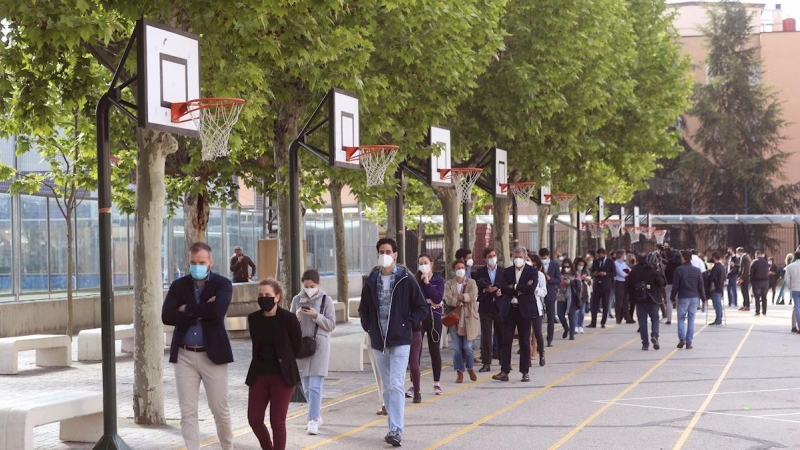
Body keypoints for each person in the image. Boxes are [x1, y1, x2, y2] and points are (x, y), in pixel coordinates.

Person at [162, 242, 234, 450]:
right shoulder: (179, 286)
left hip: (213, 356)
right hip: (185, 355)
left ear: (210, 262)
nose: (197, 266)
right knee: (188, 411)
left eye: (202, 262)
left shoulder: (222, 284)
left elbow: (217, 311)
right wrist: (202, 310)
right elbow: (167, 315)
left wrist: (186, 309)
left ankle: (227, 448)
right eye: (193, 263)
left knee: (220, 409)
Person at [358, 238, 428, 447]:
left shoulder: (406, 279)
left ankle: (396, 430)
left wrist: (408, 324)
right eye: (381, 251)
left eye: (388, 251)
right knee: (387, 386)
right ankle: (392, 427)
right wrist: (369, 327)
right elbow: (363, 310)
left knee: (397, 383)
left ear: (396, 254)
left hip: (400, 339)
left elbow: (421, 307)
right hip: (379, 341)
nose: (385, 254)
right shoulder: (371, 280)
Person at [246, 279, 302, 450]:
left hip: (282, 376)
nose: (264, 298)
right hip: (259, 375)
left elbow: (297, 347)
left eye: (268, 295)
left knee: (277, 421)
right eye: (260, 295)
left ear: (277, 297)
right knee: (254, 419)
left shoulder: (288, 319)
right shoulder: (254, 319)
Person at [289, 269, 336, 435]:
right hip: (302, 348)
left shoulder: (326, 300)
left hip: (319, 347)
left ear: (318, 284)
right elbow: (289, 327)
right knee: (307, 388)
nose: (309, 288)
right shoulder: (296, 300)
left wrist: (316, 315)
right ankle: (316, 414)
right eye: (306, 286)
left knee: (316, 386)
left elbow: (331, 325)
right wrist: (295, 318)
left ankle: (312, 420)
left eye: (312, 285)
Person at [493, 247, 541, 382]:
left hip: (525, 311)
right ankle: (504, 371)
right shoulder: (507, 271)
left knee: (525, 342)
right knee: (506, 341)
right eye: (515, 256)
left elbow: (531, 289)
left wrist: (513, 287)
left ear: (525, 257)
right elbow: (503, 288)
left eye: (520, 256)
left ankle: (525, 372)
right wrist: (520, 289)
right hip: (510, 309)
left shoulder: (532, 271)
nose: (517, 259)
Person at [409, 253, 445, 400]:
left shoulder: (438, 280)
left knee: (434, 350)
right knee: (415, 352)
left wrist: (428, 284)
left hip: (434, 318)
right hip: (419, 319)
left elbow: (437, 298)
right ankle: (414, 384)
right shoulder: (414, 281)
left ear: (431, 264)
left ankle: (436, 382)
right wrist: (429, 301)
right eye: (420, 263)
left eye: (425, 262)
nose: (423, 265)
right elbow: (415, 300)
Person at [444, 259, 479, 383]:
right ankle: (459, 371)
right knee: (457, 348)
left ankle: (470, 367)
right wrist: (462, 299)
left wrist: (459, 297)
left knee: (468, 347)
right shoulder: (449, 284)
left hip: (469, 319)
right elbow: (448, 299)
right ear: (454, 270)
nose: (461, 270)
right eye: (458, 267)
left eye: (463, 267)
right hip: (454, 320)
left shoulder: (471, 282)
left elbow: (474, 295)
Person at [475, 247, 506, 373]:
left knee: (502, 335)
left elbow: (507, 287)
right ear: (485, 259)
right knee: (486, 336)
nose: (492, 258)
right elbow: (476, 287)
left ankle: (504, 361)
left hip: (500, 306)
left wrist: (501, 292)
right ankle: (486, 363)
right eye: (489, 256)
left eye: (493, 255)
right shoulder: (480, 271)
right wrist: (485, 290)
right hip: (486, 307)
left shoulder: (503, 271)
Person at [627, 253, 666, 350]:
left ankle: (645, 343)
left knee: (642, 322)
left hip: (639, 299)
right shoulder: (653, 270)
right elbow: (662, 283)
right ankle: (654, 335)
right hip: (653, 298)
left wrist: (632, 297)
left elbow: (628, 285)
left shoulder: (634, 270)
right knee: (655, 319)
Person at [670, 250, 706, 349]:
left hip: (683, 296)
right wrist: (704, 298)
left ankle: (682, 338)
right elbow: (700, 285)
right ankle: (689, 342)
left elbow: (675, 285)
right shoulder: (697, 270)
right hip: (695, 297)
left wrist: (672, 297)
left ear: (683, 258)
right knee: (691, 319)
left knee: (681, 318)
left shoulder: (679, 270)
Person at [539, 248, 561, 347]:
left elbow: (558, 280)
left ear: (548, 256)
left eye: (544, 258)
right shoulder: (538, 265)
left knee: (550, 318)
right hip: (538, 293)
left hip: (550, 293)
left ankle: (549, 339)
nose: (543, 259)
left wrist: (550, 279)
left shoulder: (555, 265)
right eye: (541, 258)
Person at [589, 248, 615, 328]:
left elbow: (614, 273)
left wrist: (605, 273)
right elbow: (592, 272)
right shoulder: (596, 262)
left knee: (605, 304)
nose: (599, 256)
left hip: (606, 285)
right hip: (597, 285)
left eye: (600, 254)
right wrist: (595, 274)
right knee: (594, 304)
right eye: (598, 255)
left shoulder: (610, 262)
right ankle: (593, 322)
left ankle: (603, 322)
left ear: (604, 254)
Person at [556, 258, 582, 340]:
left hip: (572, 297)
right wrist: (561, 283)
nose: (566, 268)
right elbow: (556, 285)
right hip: (561, 296)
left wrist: (570, 282)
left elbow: (578, 286)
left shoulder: (575, 275)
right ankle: (566, 328)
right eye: (564, 267)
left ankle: (571, 334)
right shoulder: (560, 274)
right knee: (560, 314)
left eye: (568, 266)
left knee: (571, 315)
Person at [613, 250, 634, 324]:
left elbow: (630, 270)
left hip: (625, 282)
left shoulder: (624, 263)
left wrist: (628, 273)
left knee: (625, 300)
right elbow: (620, 273)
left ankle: (627, 317)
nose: (625, 256)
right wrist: (627, 273)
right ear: (621, 255)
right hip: (619, 282)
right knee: (619, 301)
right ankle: (618, 317)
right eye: (624, 254)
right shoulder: (616, 263)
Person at [783, 251, 800, 333]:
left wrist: (790, 286)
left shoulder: (790, 266)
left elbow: (786, 279)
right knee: (797, 307)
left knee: (796, 307)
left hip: (795, 288)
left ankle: (794, 325)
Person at [573, 257, 591, 334]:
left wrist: (586, 279)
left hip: (584, 293)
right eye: (579, 264)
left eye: (582, 265)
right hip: (575, 293)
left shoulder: (585, 272)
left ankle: (580, 326)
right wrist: (579, 278)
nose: (580, 266)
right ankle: (575, 326)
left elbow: (589, 283)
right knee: (576, 311)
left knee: (582, 311)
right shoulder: (573, 272)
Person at [707, 252, 726, 325]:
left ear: (714, 257)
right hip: (720, 286)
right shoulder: (721, 266)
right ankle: (719, 318)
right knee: (718, 304)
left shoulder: (716, 267)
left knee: (717, 304)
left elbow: (711, 277)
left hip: (715, 287)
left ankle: (718, 319)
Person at [750, 250, 770, 316]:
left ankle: (757, 311)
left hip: (756, 282)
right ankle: (764, 311)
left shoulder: (754, 262)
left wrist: (751, 281)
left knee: (757, 297)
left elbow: (751, 273)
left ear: (756, 255)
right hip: (765, 281)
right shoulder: (766, 262)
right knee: (764, 297)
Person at [737, 247, 752, 311]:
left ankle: (747, 305)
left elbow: (745, 269)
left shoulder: (745, 258)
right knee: (743, 291)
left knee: (745, 291)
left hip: (745, 278)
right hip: (744, 277)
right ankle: (744, 304)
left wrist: (742, 278)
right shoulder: (744, 257)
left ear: (739, 251)